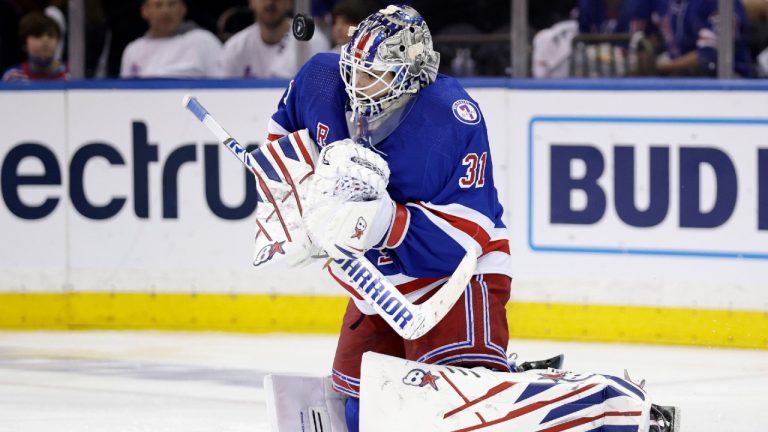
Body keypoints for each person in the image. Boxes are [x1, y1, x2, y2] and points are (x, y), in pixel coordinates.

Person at [263, 4, 512, 430]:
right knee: (358, 412)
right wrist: (299, 213)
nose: (356, 85)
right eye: (354, 68)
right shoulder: (322, 79)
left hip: (454, 285)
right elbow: (281, 148)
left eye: (373, 75)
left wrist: (381, 221)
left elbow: (466, 237)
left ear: (411, 75)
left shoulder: (450, 116)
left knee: (448, 411)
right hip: (374, 288)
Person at [220, 0, 329, 78]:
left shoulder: (312, 42)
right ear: (251, 2)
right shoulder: (235, 48)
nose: (269, 3)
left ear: (290, 3)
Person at [120, 0, 222, 78]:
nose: (166, 11)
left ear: (183, 8)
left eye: (172, 4)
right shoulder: (133, 49)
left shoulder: (203, 40)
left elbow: (223, 84)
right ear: (145, 11)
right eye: (158, 5)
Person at [655, 0, 754, 76]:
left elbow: (708, 55)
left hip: (731, 81)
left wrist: (665, 67)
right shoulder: (675, 3)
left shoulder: (714, 2)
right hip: (687, 77)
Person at [2, 12, 67, 82]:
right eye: (37, 35)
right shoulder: (12, 77)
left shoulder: (69, 75)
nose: (45, 40)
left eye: (50, 35)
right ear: (24, 43)